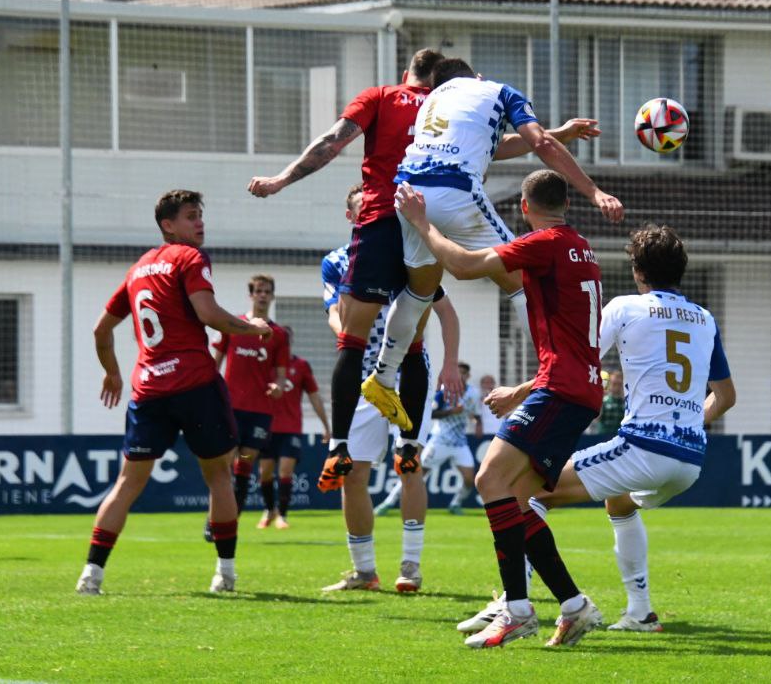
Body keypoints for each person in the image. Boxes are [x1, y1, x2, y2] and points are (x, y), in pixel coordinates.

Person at [248, 50, 594, 490]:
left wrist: (281, 179)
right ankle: (410, 443)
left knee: (354, 334)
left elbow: (333, 141)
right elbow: (495, 146)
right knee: (440, 304)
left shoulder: (384, 97)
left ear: (405, 75)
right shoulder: (455, 103)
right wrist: (558, 137)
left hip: (388, 210)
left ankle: (340, 443)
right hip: (441, 204)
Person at [459, 225, 736, 635]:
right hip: (691, 460)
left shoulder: (625, 308)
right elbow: (726, 397)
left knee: (526, 496)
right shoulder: (705, 319)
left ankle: (511, 603)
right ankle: (640, 612)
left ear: (638, 272)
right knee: (620, 503)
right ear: (681, 272)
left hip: (642, 449)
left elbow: (577, 362)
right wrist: (687, 424)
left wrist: (518, 393)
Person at [396, 169, 605, 649]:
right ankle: (573, 606)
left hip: (562, 390)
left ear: (525, 209)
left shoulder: (544, 243)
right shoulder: (579, 246)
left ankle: (516, 609)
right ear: (566, 205)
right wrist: (522, 389)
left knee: (489, 480)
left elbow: (468, 266)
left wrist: (423, 224)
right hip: (576, 388)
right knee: (514, 499)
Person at [360, 57, 622, 439]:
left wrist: (560, 132)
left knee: (419, 290)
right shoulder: (496, 90)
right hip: (455, 190)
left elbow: (492, 146)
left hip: (409, 192)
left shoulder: (433, 101)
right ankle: (556, 374)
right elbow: (539, 143)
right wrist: (595, 191)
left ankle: (382, 377)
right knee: (522, 278)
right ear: (476, 77)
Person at [78, 189, 272, 596]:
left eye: (200, 215)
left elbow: (101, 330)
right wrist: (252, 327)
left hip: (148, 389)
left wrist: (112, 373)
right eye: (190, 216)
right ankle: (226, 573)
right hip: (195, 383)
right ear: (168, 225)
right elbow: (208, 314)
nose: (199, 223)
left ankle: (91, 576)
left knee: (128, 483)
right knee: (219, 475)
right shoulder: (190, 258)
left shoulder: (138, 269)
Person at [319, 186, 461, 594]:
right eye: (365, 208)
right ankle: (364, 572)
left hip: (406, 374)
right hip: (360, 376)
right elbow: (334, 315)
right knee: (353, 473)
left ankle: (411, 567)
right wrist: (353, 336)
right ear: (351, 216)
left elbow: (445, 312)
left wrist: (451, 363)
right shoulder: (336, 262)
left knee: (409, 466)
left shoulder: (409, 253)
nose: (374, 213)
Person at [211, 275, 290, 524]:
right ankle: (214, 518)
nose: (263, 295)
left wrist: (278, 387)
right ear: (251, 295)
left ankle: (231, 519)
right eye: (258, 291)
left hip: (259, 412)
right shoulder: (233, 325)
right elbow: (215, 363)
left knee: (244, 463)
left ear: (272, 296)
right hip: (230, 407)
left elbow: (280, 374)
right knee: (224, 463)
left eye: (267, 291)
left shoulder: (278, 334)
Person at [375, 361, 483, 516]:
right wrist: (451, 412)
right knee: (415, 472)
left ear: (468, 376)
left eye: (463, 373)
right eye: (457, 372)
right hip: (439, 441)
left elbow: (476, 414)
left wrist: (478, 424)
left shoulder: (473, 393)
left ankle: (455, 504)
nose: (460, 376)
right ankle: (388, 503)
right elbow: (431, 414)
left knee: (469, 479)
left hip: (460, 443)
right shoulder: (442, 392)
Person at [258, 326, 329, 530]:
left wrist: (326, 425)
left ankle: (282, 515)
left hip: (291, 428)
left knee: (286, 470)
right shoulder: (265, 366)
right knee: (265, 473)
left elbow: (314, 396)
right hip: (266, 427)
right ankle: (270, 509)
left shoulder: (301, 366)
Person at [597, 370, 626, 435]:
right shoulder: (604, 400)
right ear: (610, 383)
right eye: (614, 383)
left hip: (620, 436)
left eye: (619, 384)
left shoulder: (626, 402)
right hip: (603, 436)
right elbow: (597, 419)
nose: (617, 387)